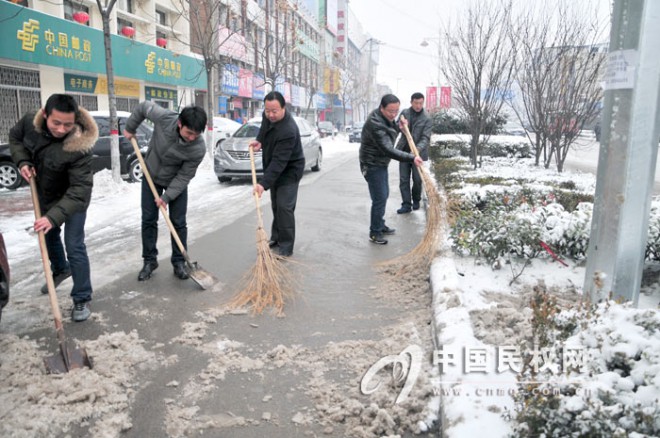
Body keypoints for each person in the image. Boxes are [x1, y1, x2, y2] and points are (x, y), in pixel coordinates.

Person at [9, 94, 98, 322]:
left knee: (74, 244)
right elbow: (15, 138)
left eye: (68, 124)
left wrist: (53, 217)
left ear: (75, 120)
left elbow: (79, 190)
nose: (61, 129)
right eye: (56, 123)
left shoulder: (80, 146)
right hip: (45, 194)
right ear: (45, 114)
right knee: (48, 236)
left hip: (74, 199)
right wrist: (23, 162)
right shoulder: (31, 122)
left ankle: (81, 297)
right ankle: (60, 269)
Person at [123, 102, 207, 281]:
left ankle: (179, 262)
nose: (192, 137)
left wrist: (166, 197)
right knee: (148, 219)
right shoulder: (164, 118)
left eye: (196, 134)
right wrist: (131, 128)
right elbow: (143, 108)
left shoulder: (198, 148)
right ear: (179, 124)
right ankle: (149, 261)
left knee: (178, 222)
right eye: (189, 133)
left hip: (175, 181)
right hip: (150, 174)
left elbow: (184, 176)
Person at [359, 94, 423, 245]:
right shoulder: (375, 123)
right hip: (372, 164)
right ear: (382, 108)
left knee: (384, 194)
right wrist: (412, 158)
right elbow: (388, 149)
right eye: (390, 111)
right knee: (379, 198)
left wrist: (398, 127)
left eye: (396, 111)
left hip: (380, 163)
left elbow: (390, 131)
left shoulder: (384, 118)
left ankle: (380, 225)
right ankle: (375, 233)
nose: (394, 114)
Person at [250, 91, 305, 257]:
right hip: (274, 167)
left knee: (284, 207)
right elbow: (265, 127)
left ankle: (286, 246)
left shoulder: (288, 130)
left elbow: (279, 162)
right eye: (268, 110)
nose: (270, 115)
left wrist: (263, 183)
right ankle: (277, 237)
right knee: (275, 205)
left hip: (290, 170)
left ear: (283, 108)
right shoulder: (268, 116)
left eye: (274, 111)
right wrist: (260, 140)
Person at [396, 92, 433, 214]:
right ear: (411, 102)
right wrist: (400, 126)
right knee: (404, 179)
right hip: (404, 152)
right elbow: (396, 127)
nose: (418, 105)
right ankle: (406, 204)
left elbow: (426, 137)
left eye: (421, 103)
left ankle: (416, 200)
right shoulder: (404, 113)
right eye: (416, 103)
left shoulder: (427, 118)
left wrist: (417, 149)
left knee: (417, 180)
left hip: (418, 154)